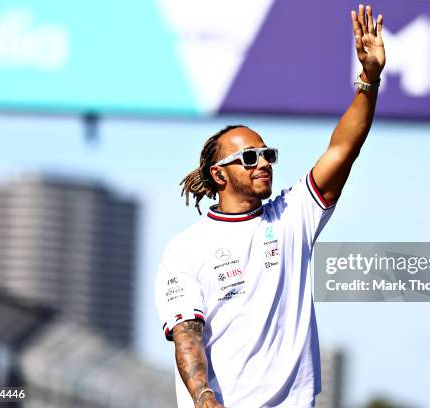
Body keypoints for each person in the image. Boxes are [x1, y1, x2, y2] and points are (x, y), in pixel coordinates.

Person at [155, 4, 386, 407]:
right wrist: (203, 395)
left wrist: (369, 79)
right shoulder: (185, 248)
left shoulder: (292, 216)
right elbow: (187, 333)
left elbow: (344, 148)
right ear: (219, 175)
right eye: (249, 158)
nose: (263, 163)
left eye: (267, 155)